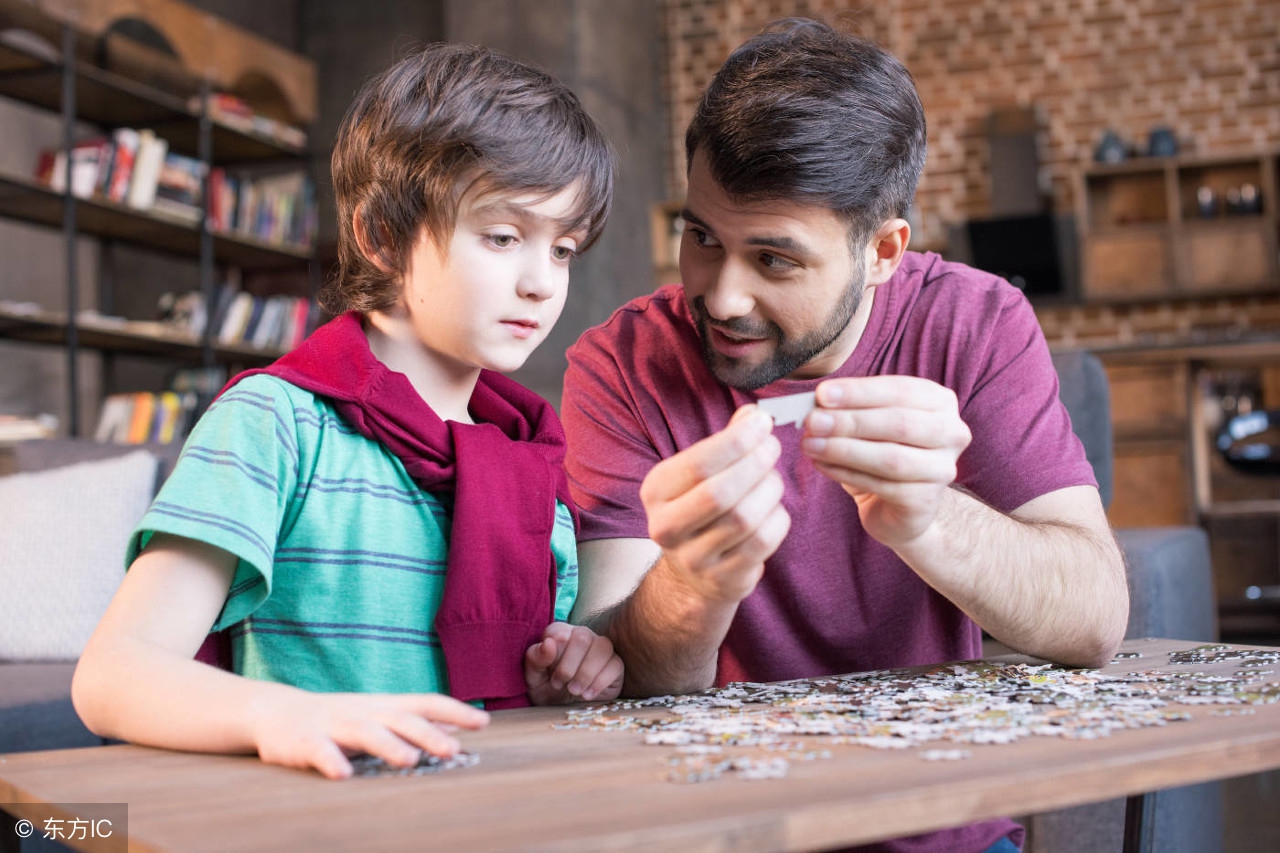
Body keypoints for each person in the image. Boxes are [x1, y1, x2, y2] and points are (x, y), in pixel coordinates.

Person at [560, 18, 1127, 853]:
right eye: (702, 238)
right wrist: (694, 581)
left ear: (884, 250)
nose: (721, 296)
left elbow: (1095, 615)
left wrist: (932, 520)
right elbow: (622, 677)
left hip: (940, 832)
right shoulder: (624, 363)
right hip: (713, 831)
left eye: (775, 260)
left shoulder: (973, 323)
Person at [72, 42, 623, 780]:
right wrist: (284, 713)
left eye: (563, 249)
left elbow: (526, 698)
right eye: (502, 236)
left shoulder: (533, 460)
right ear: (381, 236)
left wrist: (569, 671)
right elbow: (111, 674)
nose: (541, 283)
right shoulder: (278, 424)